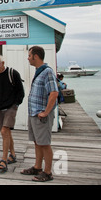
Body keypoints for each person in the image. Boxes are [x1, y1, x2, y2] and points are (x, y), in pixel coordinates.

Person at [21, 46, 59, 182]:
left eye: (29, 55)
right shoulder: (39, 71)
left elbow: (54, 93)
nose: (28, 58)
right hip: (34, 114)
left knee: (44, 143)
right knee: (37, 142)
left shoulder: (47, 72)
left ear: (35, 56)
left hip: (41, 115)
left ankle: (47, 172)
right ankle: (37, 167)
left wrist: (46, 112)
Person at [0, 55, 24, 172]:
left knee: (4, 131)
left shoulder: (13, 73)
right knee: (6, 132)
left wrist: (16, 105)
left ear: (3, 63)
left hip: (10, 107)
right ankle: (12, 154)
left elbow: (21, 91)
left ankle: (3, 160)